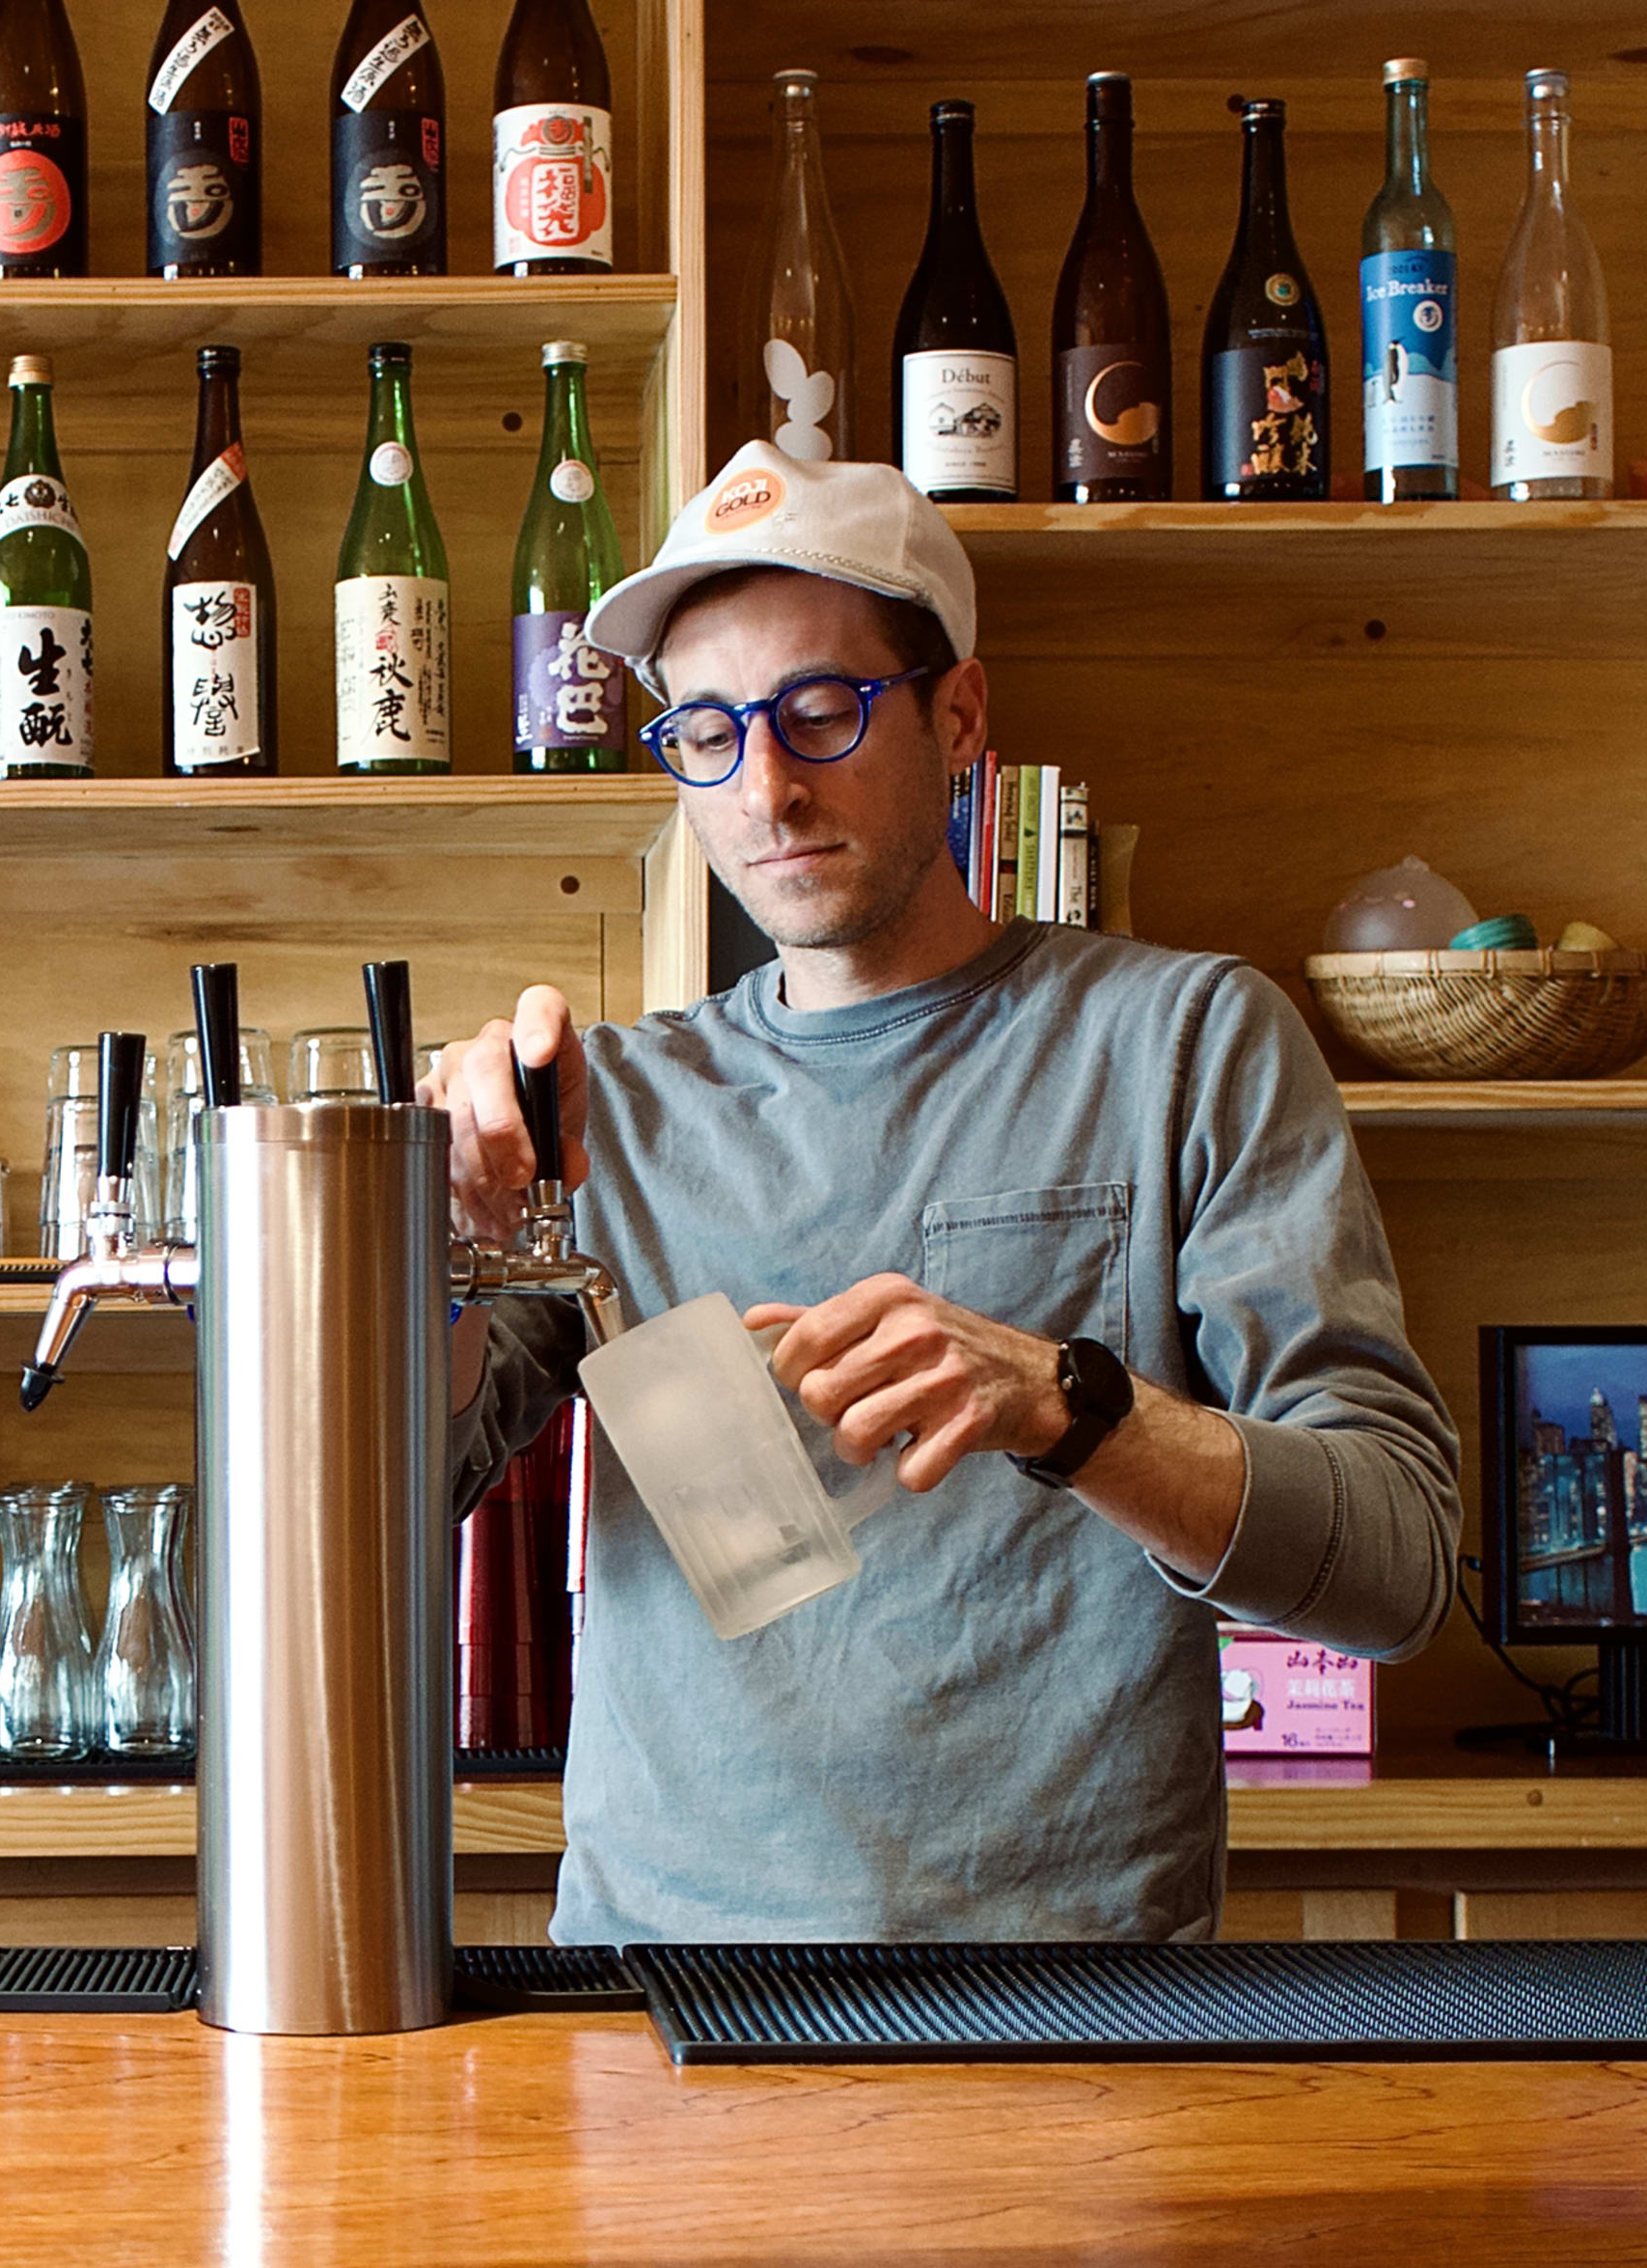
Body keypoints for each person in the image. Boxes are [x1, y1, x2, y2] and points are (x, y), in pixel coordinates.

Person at [425, 442, 1460, 1945]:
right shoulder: (609, 1111)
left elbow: (1397, 1563)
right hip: (663, 2001)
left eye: (821, 711)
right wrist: (438, 1247)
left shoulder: (1183, 1042)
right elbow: (394, 1503)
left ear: (961, 715)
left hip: (1079, 2011)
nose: (766, 790)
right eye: (707, 733)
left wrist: (1064, 1402)